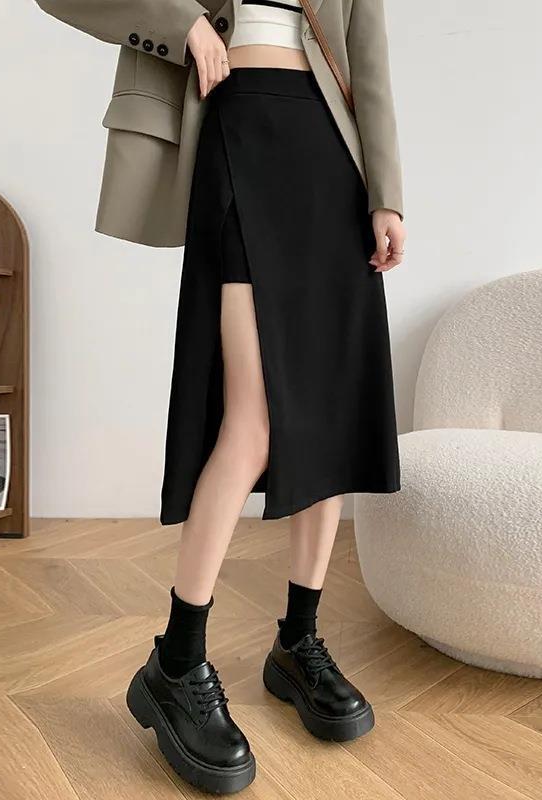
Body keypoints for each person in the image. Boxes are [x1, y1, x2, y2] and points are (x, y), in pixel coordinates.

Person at [35, 0, 405, 792]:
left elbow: (367, 55)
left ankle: (298, 643)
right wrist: (187, 24)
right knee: (255, 422)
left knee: (326, 410)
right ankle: (177, 660)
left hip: (329, 149)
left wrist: (387, 192)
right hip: (239, 134)